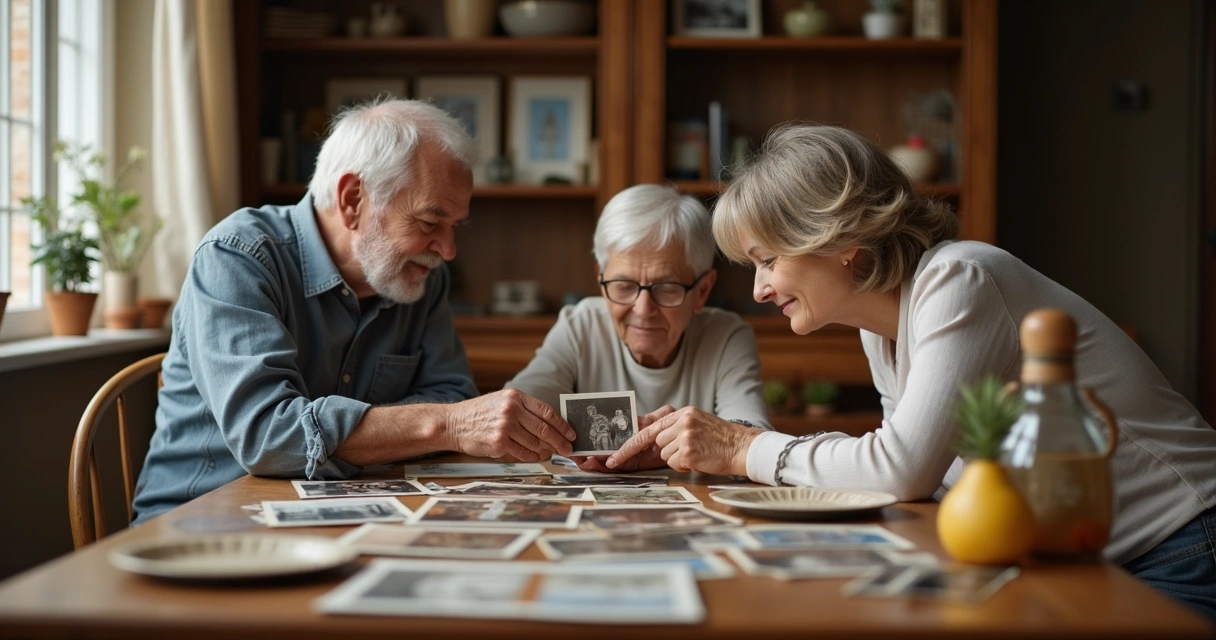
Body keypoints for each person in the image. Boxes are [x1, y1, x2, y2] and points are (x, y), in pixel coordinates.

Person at [609, 123, 1216, 621]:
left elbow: (898, 470)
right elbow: (908, 472)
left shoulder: (961, 279)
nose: (761, 289)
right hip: (1093, 552)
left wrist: (743, 448)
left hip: (1182, 545)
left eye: (767, 260)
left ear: (837, 236)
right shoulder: (886, 326)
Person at [131, 99, 575, 523]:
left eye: (455, 226)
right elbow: (269, 437)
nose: (449, 249)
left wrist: (414, 426)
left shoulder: (422, 276)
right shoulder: (238, 257)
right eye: (428, 222)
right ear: (352, 200)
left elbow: (450, 391)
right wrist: (445, 425)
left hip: (346, 511)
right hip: (204, 520)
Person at [504, 183, 771, 472]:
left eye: (666, 288)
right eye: (623, 286)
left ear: (703, 290)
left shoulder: (726, 336)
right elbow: (514, 416)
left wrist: (661, 449)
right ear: (601, 280)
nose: (643, 309)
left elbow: (753, 439)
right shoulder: (579, 325)